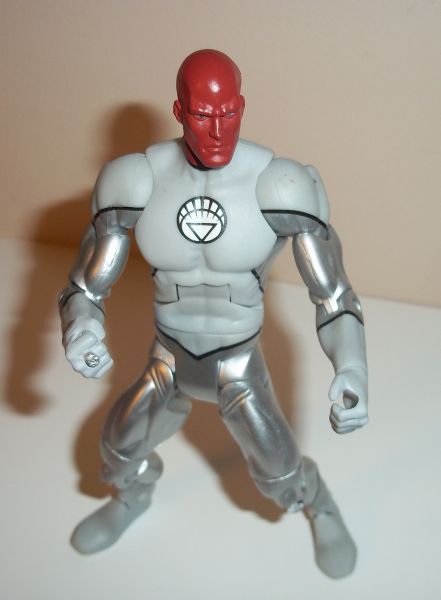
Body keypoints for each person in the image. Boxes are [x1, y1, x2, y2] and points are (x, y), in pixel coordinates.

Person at [59, 49, 368, 579]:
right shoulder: (136, 181)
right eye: (203, 114)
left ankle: (318, 501)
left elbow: (335, 297)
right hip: (168, 357)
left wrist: (353, 367)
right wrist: (81, 326)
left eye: (228, 113)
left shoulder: (279, 186)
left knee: (279, 474)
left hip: (237, 364)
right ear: (179, 111)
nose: (218, 130)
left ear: (242, 107)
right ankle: (133, 497)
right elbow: (83, 287)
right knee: (117, 448)